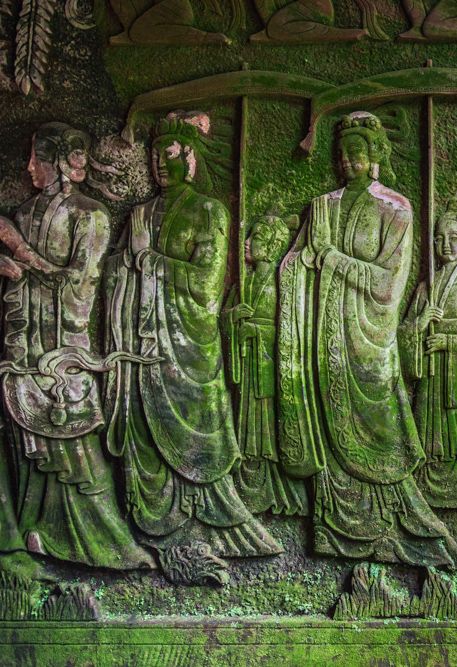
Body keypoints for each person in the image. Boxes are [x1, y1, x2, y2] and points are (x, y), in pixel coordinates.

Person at [278, 111, 457, 567]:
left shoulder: (394, 209)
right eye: (342, 155)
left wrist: (334, 260)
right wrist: (297, 265)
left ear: (377, 155)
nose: (347, 162)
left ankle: (399, 524)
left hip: (369, 332)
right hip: (324, 328)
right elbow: (296, 263)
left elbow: (386, 285)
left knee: (380, 419)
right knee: (330, 417)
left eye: (357, 153)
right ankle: (336, 531)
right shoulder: (322, 206)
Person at [106, 111, 280, 568]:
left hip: (188, 343)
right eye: (152, 155)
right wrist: (126, 267)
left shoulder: (208, 212)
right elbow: (115, 272)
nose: (158, 164)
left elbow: (206, 284)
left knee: (198, 434)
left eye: (168, 154)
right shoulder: (139, 214)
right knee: (144, 430)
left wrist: (150, 262)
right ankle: (153, 529)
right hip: (144, 342)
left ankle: (213, 525)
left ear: (191, 157)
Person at [0, 123, 153, 569]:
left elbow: (80, 284)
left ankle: (102, 545)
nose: (29, 168)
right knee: (22, 447)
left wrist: (22, 256)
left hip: (65, 352)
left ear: (63, 164)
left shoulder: (92, 216)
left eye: (38, 159)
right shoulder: (24, 212)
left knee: (75, 450)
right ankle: (31, 536)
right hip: (23, 346)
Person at [401, 201, 457, 511]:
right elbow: (404, 332)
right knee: (428, 427)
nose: (446, 245)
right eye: (439, 238)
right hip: (431, 373)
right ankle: (426, 487)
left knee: (455, 428)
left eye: (454, 237)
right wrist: (419, 324)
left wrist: (450, 342)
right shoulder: (428, 286)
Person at [224, 212, 307, 516]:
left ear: (272, 245)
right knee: (243, 426)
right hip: (245, 369)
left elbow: (291, 331)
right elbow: (224, 320)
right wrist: (233, 320)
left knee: (268, 431)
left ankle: (272, 490)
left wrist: (256, 331)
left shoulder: (282, 283)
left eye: (256, 237)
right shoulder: (242, 284)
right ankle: (244, 487)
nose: (247, 242)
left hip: (268, 370)